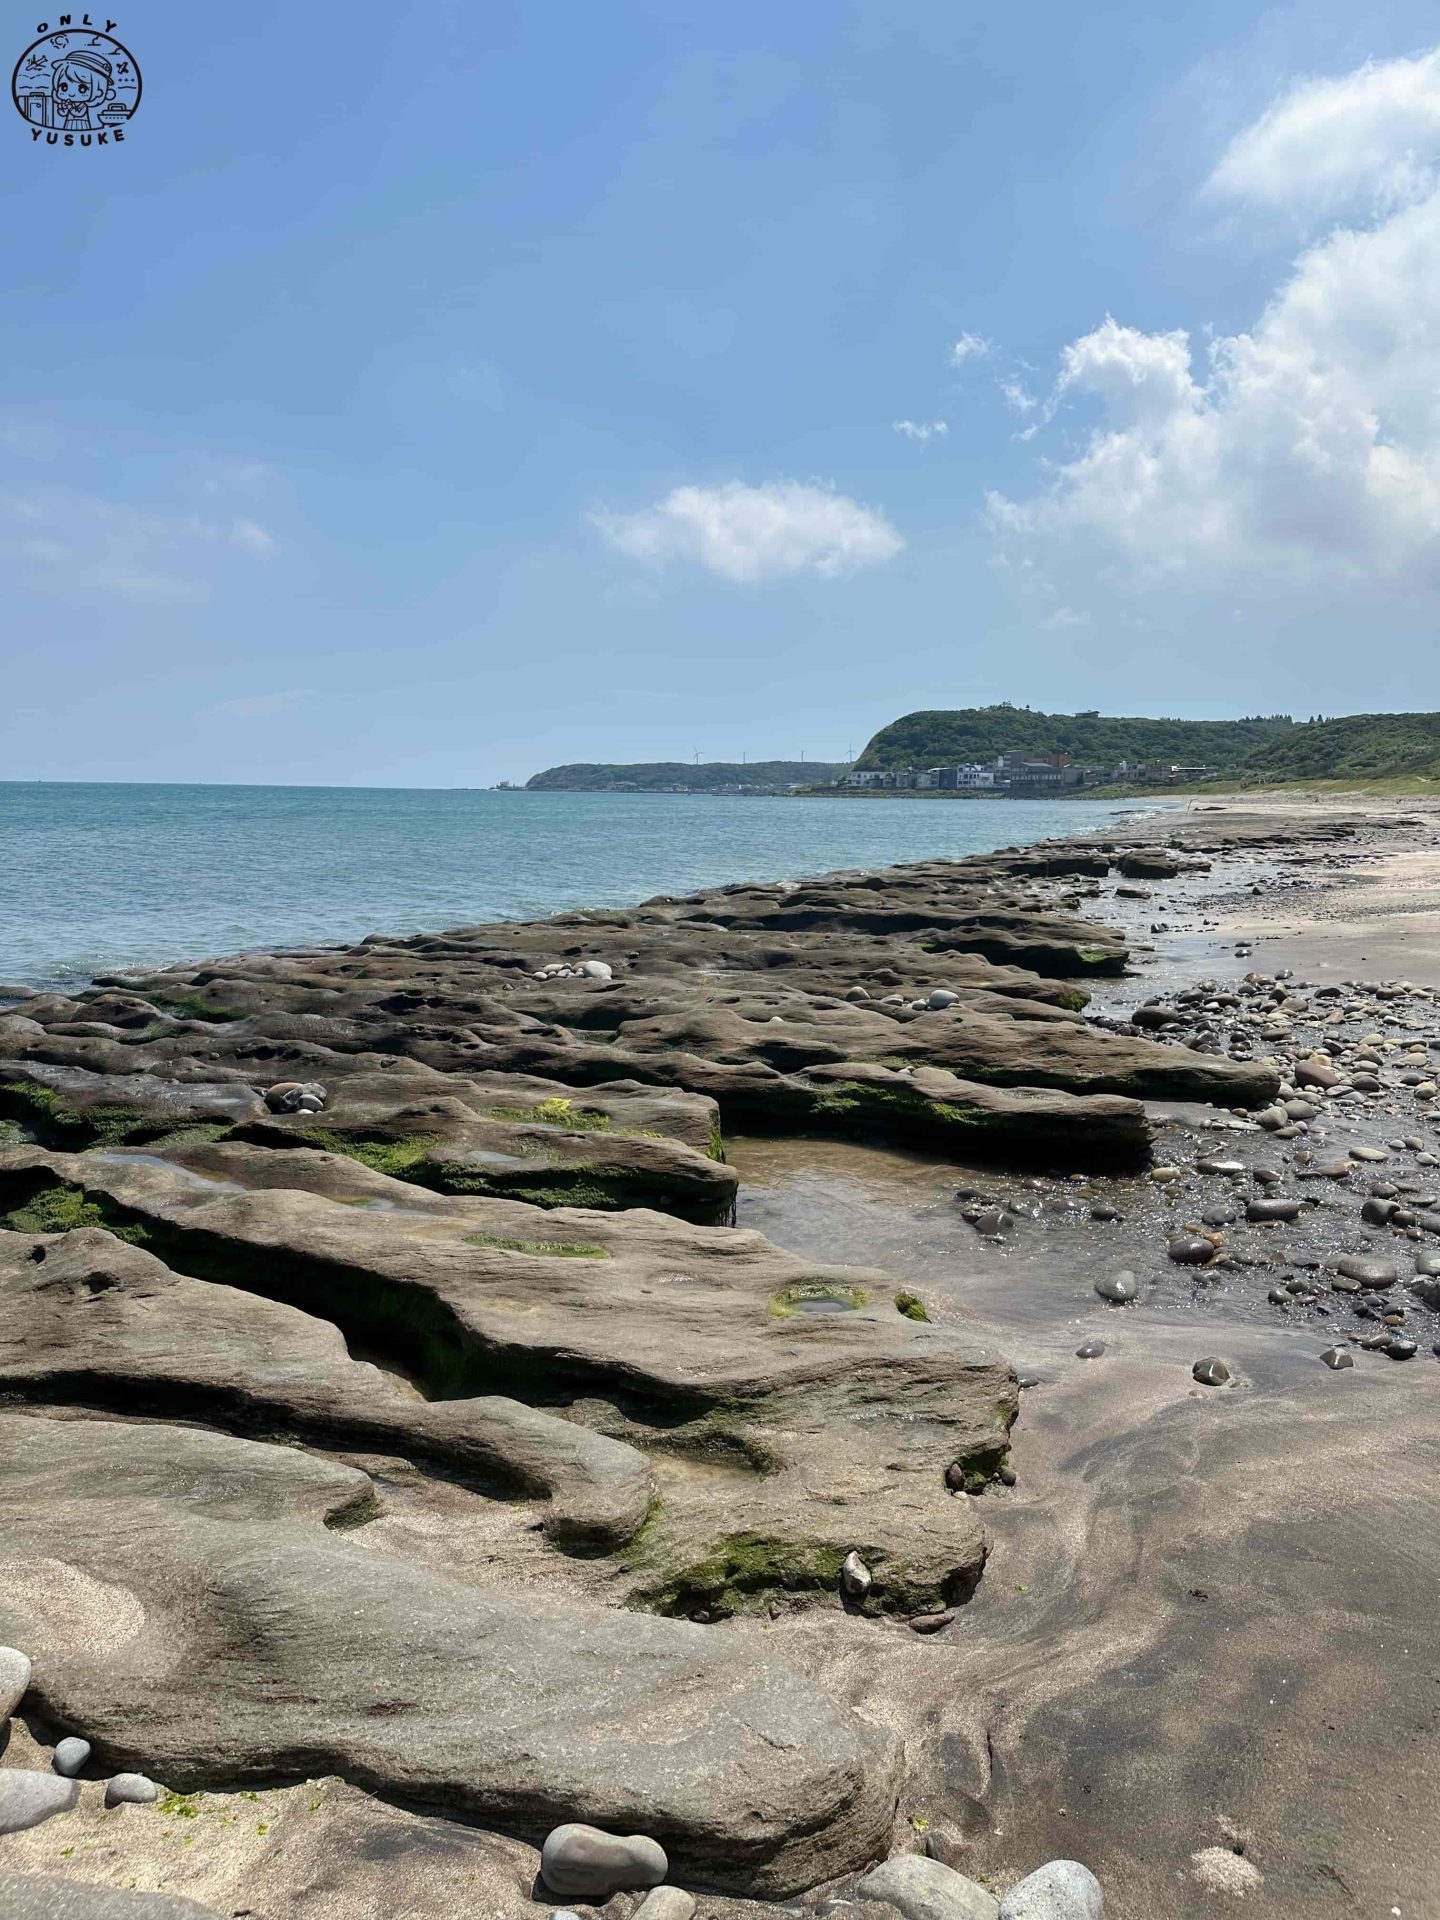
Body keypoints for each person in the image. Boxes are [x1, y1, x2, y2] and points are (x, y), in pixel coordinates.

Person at [50, 49, 116, 132]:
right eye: (64, 87)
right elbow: (62, 113)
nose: (71, 94)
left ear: (98, 91)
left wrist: (70, 108)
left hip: (81, 123)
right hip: (69, 123)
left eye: (82, 89)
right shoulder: (68, 102)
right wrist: (63, 109)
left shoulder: (83, 105)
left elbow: (79, 113)